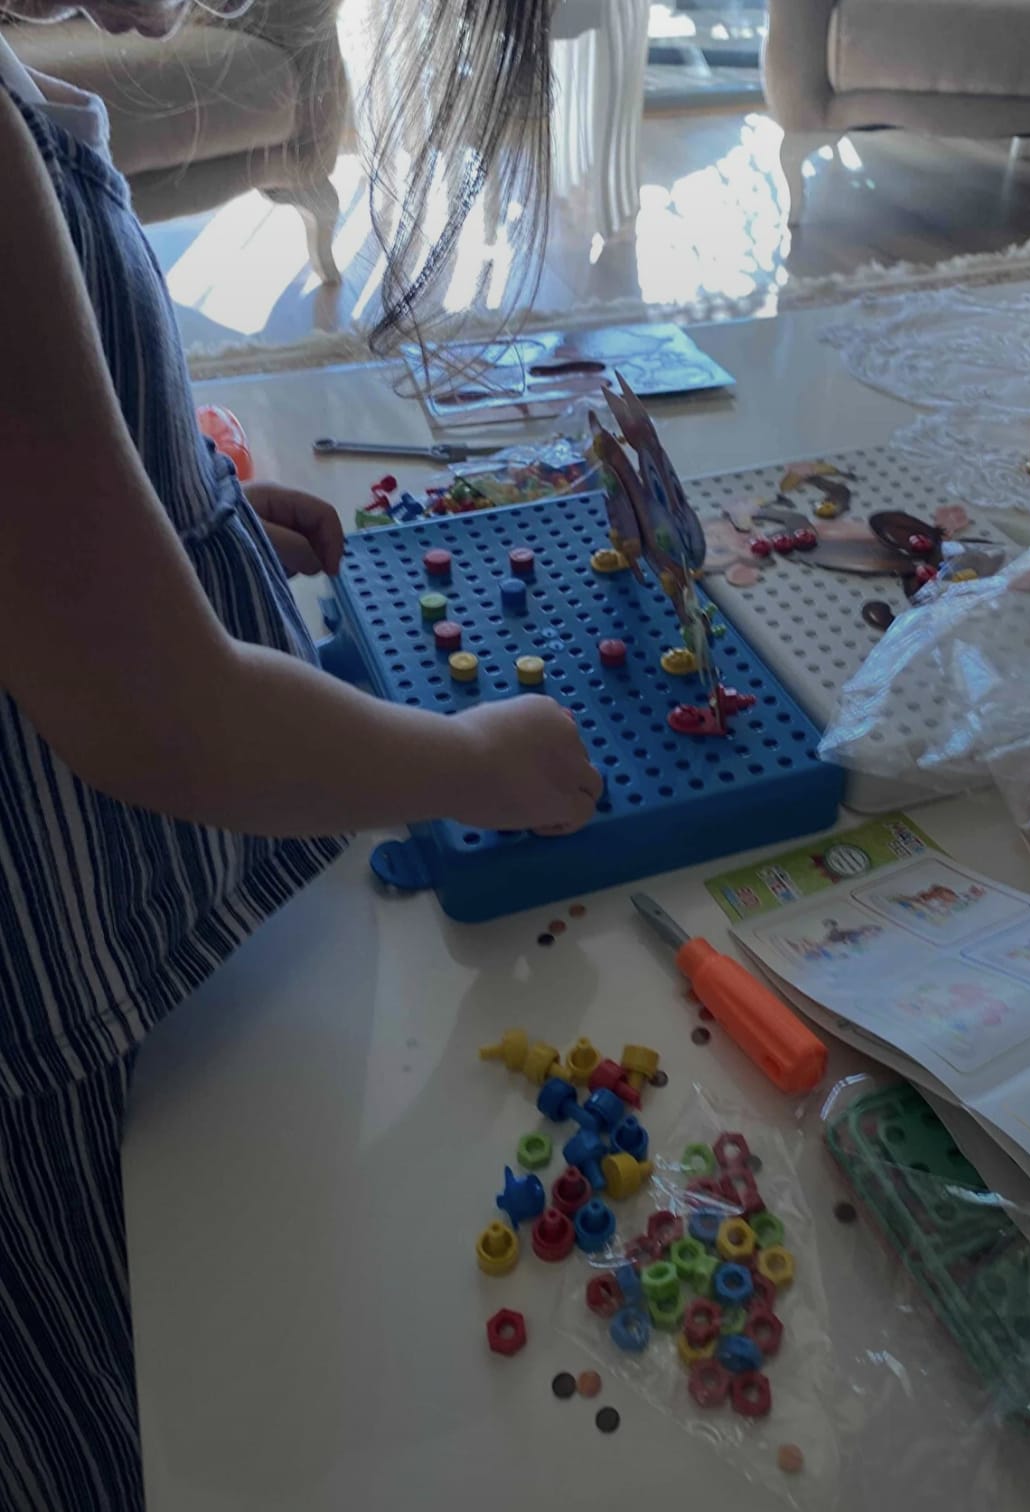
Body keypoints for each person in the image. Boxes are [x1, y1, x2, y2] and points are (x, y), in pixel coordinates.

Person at [0, 3, 587, 1506]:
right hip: (51, 1003)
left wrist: (165, 509)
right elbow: (158, 712)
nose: (188, 16)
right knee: (133, 1394)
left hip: (140, 944)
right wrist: (474, 761)